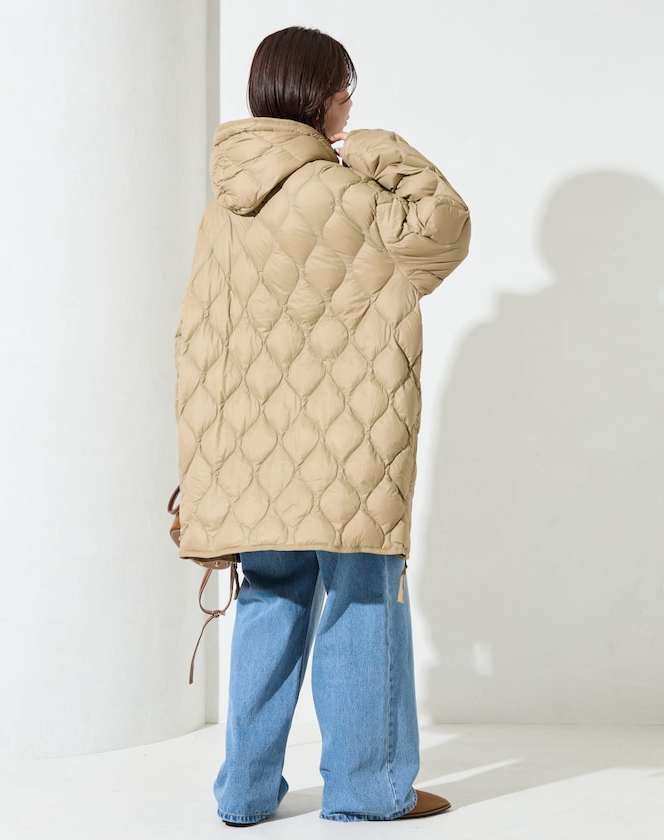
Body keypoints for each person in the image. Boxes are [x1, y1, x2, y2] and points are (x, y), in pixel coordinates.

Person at [174, 25, 470, 825]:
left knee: (269, 599)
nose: (351, 106)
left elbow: (197, 342)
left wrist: (201, 470)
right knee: (363, 603)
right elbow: (446, 229)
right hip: (352, 456)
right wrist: (374, 148)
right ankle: (368, 789)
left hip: (250, 458)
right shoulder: (358, 199)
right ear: (327, 98)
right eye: (347, 92)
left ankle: (243, 793)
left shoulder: (221, 213)